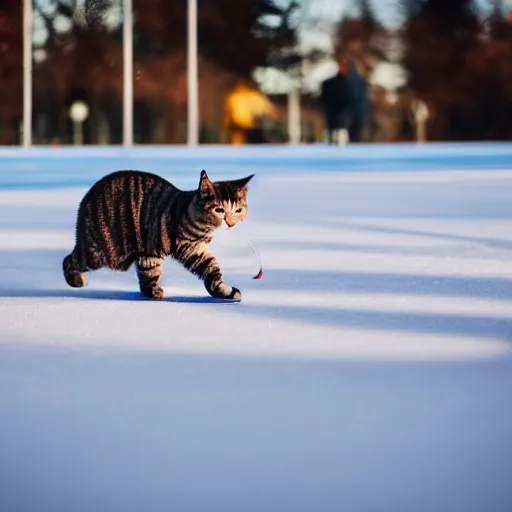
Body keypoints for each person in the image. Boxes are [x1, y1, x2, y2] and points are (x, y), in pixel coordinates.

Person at [320, 56, 368, 144]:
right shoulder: (330, 84)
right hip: (337, 113)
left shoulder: (358, 81)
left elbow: (360, 99)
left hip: (354, 114)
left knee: (355, 137)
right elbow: (326, 100)